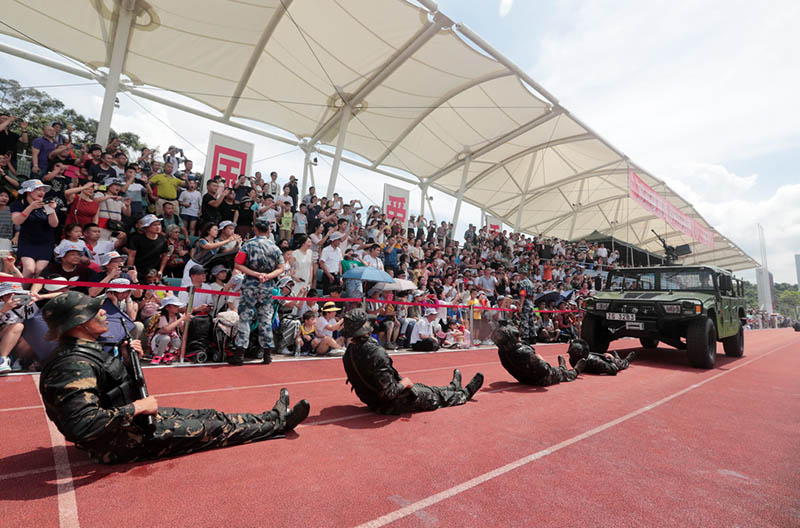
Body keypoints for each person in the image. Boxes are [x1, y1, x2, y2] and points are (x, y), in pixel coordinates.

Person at [38, 290, 309, 464]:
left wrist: (123, 358)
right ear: (79, 323)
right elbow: (82, 425)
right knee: (214, 429)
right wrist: (137, 407)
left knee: (211, 415)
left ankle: (272, 418)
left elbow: (105, 386)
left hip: (131, 426)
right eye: (93, 311)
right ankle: (278, 424)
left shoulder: (85, 351)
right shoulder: (72, 363)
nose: (102, 311)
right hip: (121, 442)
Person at [341, 309, 483, 415]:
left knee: (424, 388)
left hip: (372, 401)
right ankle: (464, 394)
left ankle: (452, 387)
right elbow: (390, 393)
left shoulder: (348, 354)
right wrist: (405, 383)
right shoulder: (376, 353)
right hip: (390, 404)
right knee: (434, 397)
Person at [232, 216, 284, 366]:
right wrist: (267, 276)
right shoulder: (275, 248)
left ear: (255, 229)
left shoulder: (247, 245)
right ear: (268, 230)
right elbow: (281, 268)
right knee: (265, 319)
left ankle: (240, 352)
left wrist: (255, 274)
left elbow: (238, 264)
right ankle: (267, 354)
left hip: (250, 284)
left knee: (245, 317)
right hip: (267, 286)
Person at [492, 324, 584, 387]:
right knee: (563, 374)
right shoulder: (524, 352)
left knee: (557, 370)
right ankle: (574, 370)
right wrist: (540, 359)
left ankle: (562, 367)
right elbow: (545, 370)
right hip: (541, 379)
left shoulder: (502, 352)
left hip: (525, 379)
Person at [11, 179, 60, 277]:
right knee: (29, 270)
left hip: (45, 242)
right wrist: (30, 207)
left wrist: (52, 209)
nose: (42, 192)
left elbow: (54, 224)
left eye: (43, 190)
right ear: (28, 191)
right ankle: (20, 291)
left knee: (39, 271)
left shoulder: (46, 204)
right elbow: (17, 221)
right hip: (27, 241)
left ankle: (32, 292)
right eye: (38, 189)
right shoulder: (18, 204)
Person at [566, 338, 634, 375]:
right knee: (619, 363)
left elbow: (614, 369)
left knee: (617, 361)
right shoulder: (596, 361)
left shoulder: (572, 361)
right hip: (603, 365)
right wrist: (612, 359)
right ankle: (623, 360)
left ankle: (622, 359)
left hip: (598, 364)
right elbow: (614, 369)